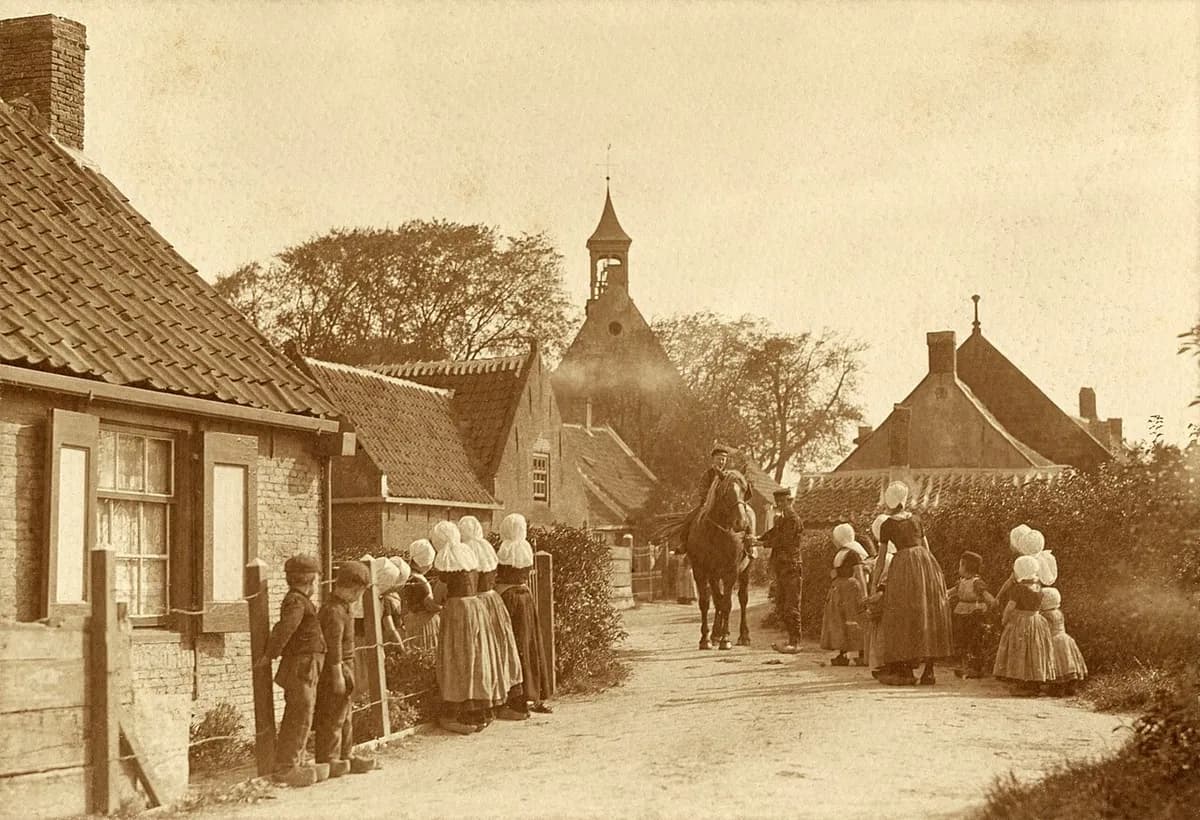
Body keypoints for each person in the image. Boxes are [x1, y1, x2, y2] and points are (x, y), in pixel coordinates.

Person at [257, 554, 326, 787]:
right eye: (314, 579)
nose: (315, 584)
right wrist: (270, 654)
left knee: (305, 713)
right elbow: (286, 628)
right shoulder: (296, 601)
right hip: (301, 665)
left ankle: (297, 760)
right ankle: (286, 768)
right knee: (299, 713)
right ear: (308, 580)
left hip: (307, 665)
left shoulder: (298, 600)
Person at [877, 481, 953, 686]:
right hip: (926, 564)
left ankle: (905, 670)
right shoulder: (917, 520)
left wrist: (876, 583)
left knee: (902, 615)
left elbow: (881, 556)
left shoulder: (887, 524)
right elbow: (927, 547)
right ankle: (929, 671)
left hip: (903, 568)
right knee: (927, 613)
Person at [459, 515, 524, 724]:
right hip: (493, 600)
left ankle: (485, 702)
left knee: (481, 653)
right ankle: (507, 696)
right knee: (500, 649)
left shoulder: (465, 551)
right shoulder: (487, 547)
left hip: (477, 603)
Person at [314, 561, 374, 777]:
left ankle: (345, 754)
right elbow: (333, 645)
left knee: (345, 713)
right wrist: (338, 674)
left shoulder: (343, 608)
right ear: (353, 588)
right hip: (335, 668)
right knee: (332, 714)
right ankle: (329, 758)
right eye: (359, 592)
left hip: (347, 665)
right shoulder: (333, 611)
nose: (358, 598)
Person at [430, 520, 491, 735]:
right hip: (474, 608)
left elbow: (440, 593)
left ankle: (454, 712)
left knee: (455, 659)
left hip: (457, 612)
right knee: (474, 658)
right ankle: (476, 709)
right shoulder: (468, 555)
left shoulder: (447, 562)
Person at [495, 513, 553, 716]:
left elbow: (500, 576)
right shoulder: (525, 548)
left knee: (512, 646)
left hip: (508, 597)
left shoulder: (504, 549)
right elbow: (525, 574)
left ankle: (516, 697)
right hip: (525, 598)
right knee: (529, 644)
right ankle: (533, 694)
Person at [993, 555, 1057, 695]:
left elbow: (1010, 606)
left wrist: (1004, 619)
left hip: (1020, 621)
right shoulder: (1038, 587)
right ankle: (1035, 683)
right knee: (1034, 650)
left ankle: (1022, 683)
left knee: (1019, 650)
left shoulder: (1019, 589)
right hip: (1036, 620)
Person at [820, 523, 868, 666]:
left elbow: (833, 574)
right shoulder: (853, 553)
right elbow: (859, 573)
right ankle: (861, 653)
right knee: (856, 619)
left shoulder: (839, 554)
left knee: (841, 621)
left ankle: (843, 654)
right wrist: (865, 594)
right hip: (851, 588)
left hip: (838, 589)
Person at [764, 488, 804, 653]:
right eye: (778, 502)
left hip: (792, 566)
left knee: (791, 605)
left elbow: (783, 540)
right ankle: (790, 639)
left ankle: (795, 642)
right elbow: (771, 534)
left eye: (783, 502)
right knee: (781, 603)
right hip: (782, 566)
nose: (781, 505)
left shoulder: (793, 520)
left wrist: (762, 544)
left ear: (790, 501)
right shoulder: (782, 519)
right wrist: (757, 538)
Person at [946, 551, 996, 679]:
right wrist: (943, 594)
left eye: (960, 565)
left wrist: (992, 603)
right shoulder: (961, 582)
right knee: (962, 640)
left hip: (974, 613)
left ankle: (975, 668)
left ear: (965, 567)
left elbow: (985, 595)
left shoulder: (976, 582)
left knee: (974, 640)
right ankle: (965, 666)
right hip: (962, 612)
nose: (959, 569)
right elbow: (952, 592)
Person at [678, 446, 731, 554]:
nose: (721, 462)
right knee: (690, 518)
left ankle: (748, 542)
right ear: (713, 459)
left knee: (741, 516)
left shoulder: (730, 476)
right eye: (719, 458)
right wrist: (710, 497)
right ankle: (684, 543)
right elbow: (702, 490)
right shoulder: (708, 474)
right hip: (708, 505)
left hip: (725, 507)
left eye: (723, 459)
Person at [1039, 587, 1087, 695]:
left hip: (1053, 640)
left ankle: (1057, 688)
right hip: (1065, 639)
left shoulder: (1044, 615)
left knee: (1056, 665)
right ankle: (1071, 687)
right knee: (1067, 663)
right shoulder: (1058, 612)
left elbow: (1044, 629)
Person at [402, 539, 444, 651]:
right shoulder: (420, 581)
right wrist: (442, 606)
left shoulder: (408, 576)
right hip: (424, 623)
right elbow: (429, 605)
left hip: (412, 620)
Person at [375, 556, 411, 649]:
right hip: (389, 641)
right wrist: (402, 650)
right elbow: (390, 629)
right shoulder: (385, 599)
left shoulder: (393, 595)